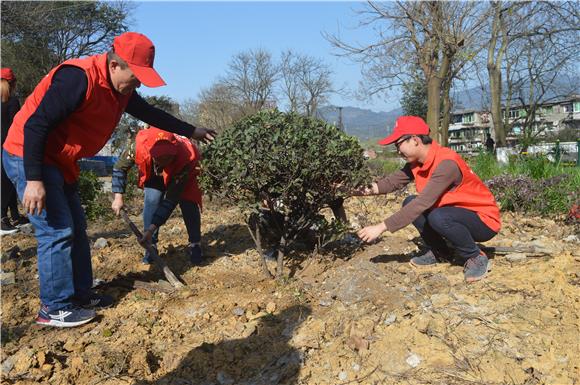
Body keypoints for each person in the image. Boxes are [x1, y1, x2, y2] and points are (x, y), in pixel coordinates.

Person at [2, 32, 216, 327]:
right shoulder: (77, 79)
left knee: (76, 226)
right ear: (115, 65)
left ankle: (80, 294)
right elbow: (36, 125)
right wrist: (34, 179)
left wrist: (191, 130)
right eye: (136, 76)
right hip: (29, 155)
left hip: (60, 160)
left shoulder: (121, 91)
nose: (138, 83)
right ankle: (54, 307)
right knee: (57, 230)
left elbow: (151, 113)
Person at [355, 116, 501, 283]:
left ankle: (474, 255)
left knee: (435, 215)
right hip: (454, 214)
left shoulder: (446, 163)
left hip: (483, 221)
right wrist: (350, 190)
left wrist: (381, 227)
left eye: (398, 144)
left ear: (415, 140)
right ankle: (441, 252)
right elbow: (389, 184)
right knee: (410, 202)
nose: (397, 150)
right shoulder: (416, 163)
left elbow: (423, 202)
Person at [111, 124, 204, 265]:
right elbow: (119, 168)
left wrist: (151, 228)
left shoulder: (185, 155)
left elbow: (171, 200)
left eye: (168, 157)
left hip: (181, 172)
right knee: (152, 200)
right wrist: (118, 197)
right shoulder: (139, 145)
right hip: (153, 174)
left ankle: (195, 244)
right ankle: (151, 245)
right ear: (151, 151)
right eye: (161, 157)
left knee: (188, 202)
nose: (165, 160)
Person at [1, 67, 29, 234]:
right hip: (7, 148)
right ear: (13, 84)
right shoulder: (12, 101)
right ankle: (3, 220)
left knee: (7, 182)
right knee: (6, 184)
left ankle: (14, 216)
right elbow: (17, 126)